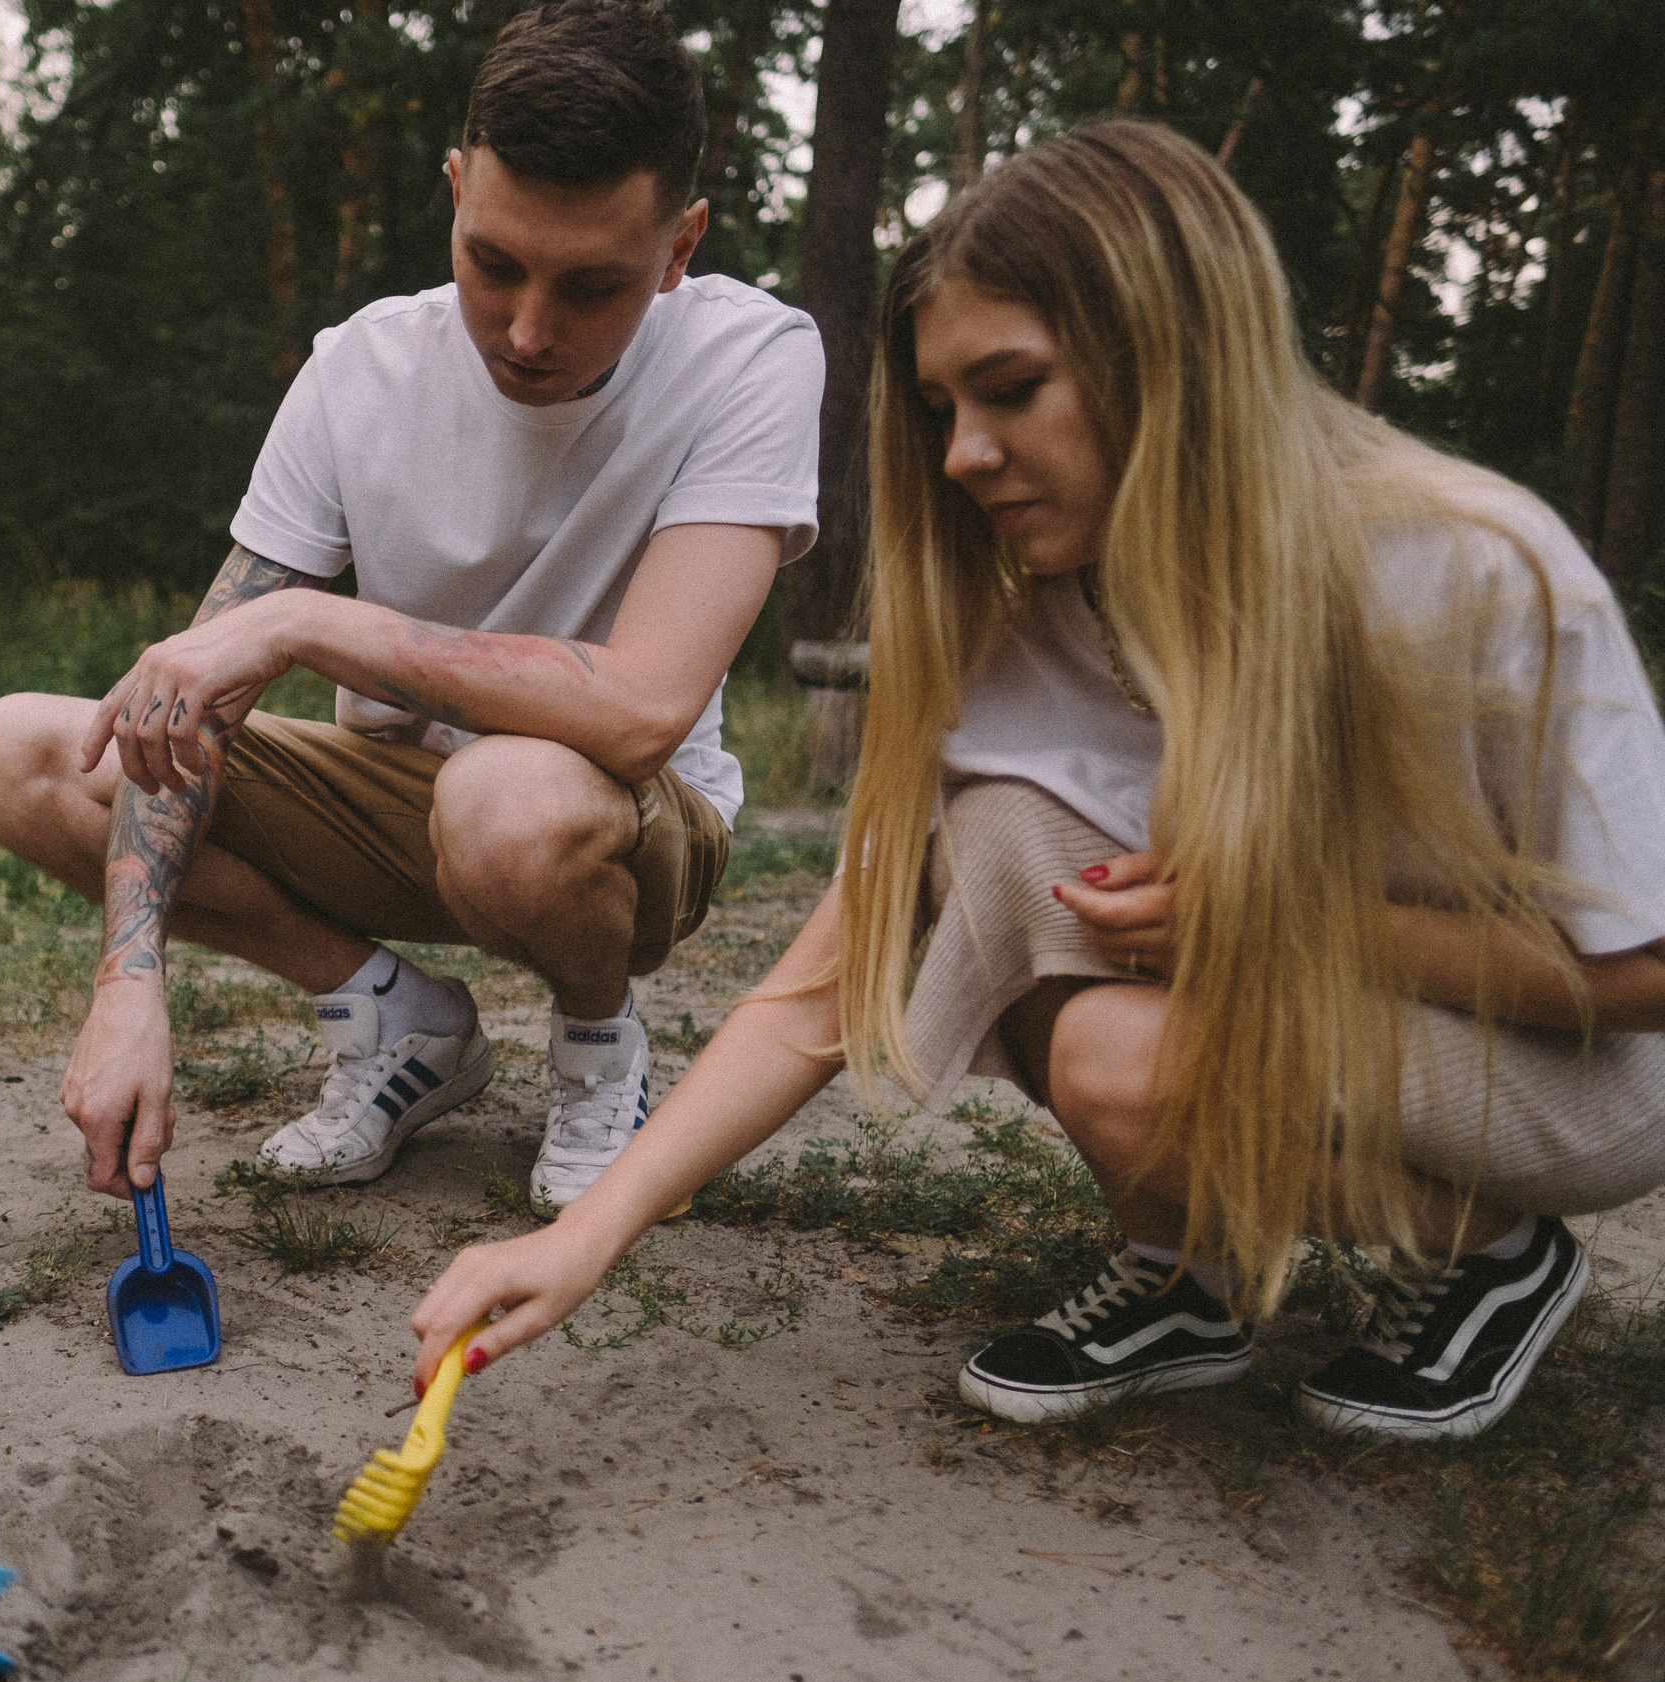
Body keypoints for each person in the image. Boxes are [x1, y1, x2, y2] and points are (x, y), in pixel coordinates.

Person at [409, 121, 1665, 1444]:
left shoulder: (1471, 570)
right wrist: (587, 1236)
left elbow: (1646, 975)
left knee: (1127, 1063)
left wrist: (1269, 920)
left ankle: (1484, 1247)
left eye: (1012, 390)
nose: (961, 455)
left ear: (1168, 355)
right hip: (1323, 1011)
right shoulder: (1043, 612)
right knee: (996, 834)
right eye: (946, 408)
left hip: (1573, 1073)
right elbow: (820, 990)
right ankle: (1188, 1272)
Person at [0, 0, 822, 1213]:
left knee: (506, 799)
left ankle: (599, 1047)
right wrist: (128, 976)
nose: (528, 331)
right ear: (456, 188)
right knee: (25, 752)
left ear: (679, 246)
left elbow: (638, 714)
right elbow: (184, 711)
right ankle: (399, 1020)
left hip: (615, 829)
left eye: (591, 286)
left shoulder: (753, 357)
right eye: (494, 263)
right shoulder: (357, 368)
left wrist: (315, 625)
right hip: (394, 812)